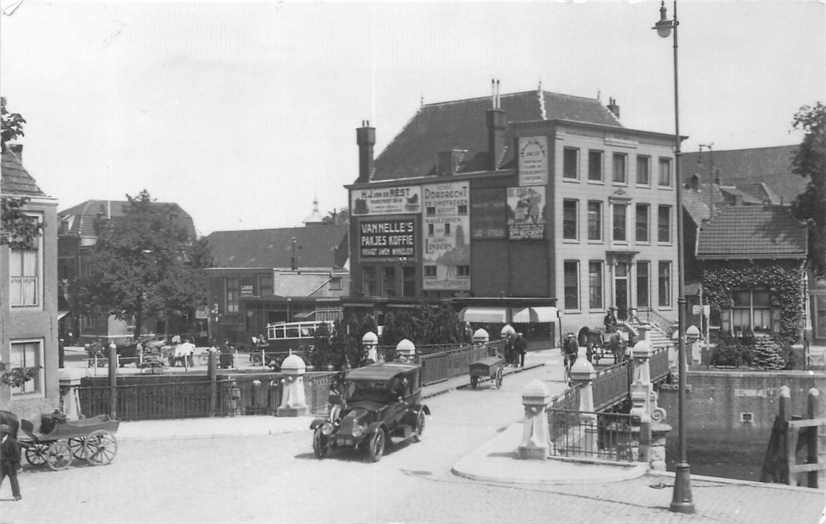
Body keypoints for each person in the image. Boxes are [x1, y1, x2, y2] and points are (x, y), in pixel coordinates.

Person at [0, 423, 22, 501]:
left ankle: (17, 495)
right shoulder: (1, 441)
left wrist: (17, 465)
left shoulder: (12, 442)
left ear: (4, 433)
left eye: (0, 432)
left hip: (10, 465)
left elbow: (17, 455)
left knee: (13, 480)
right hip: (1, 465)